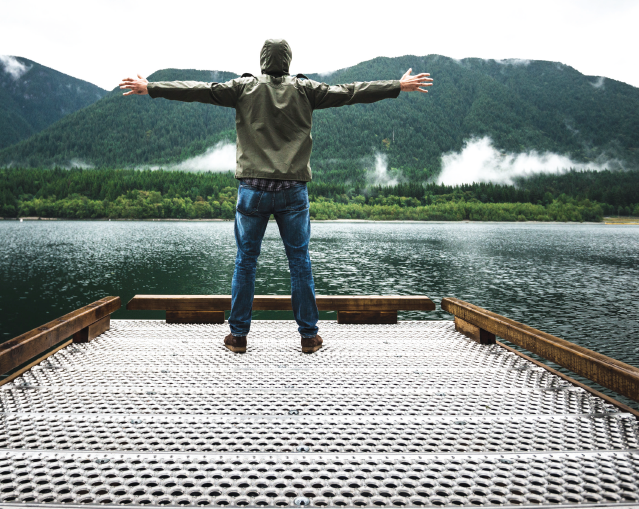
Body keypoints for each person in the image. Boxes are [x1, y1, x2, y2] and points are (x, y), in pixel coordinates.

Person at [120, 39, 432, 354]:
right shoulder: (306, 89)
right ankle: (309, 337)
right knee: (300, 263)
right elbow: (351, 91)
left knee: (245, 262)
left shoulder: (242, 88)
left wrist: (152, 87)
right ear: (288, 61)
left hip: (252, 189)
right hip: (293, 188)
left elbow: (197, 89)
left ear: (262, 61)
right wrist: (397, 85)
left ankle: (238, 337)